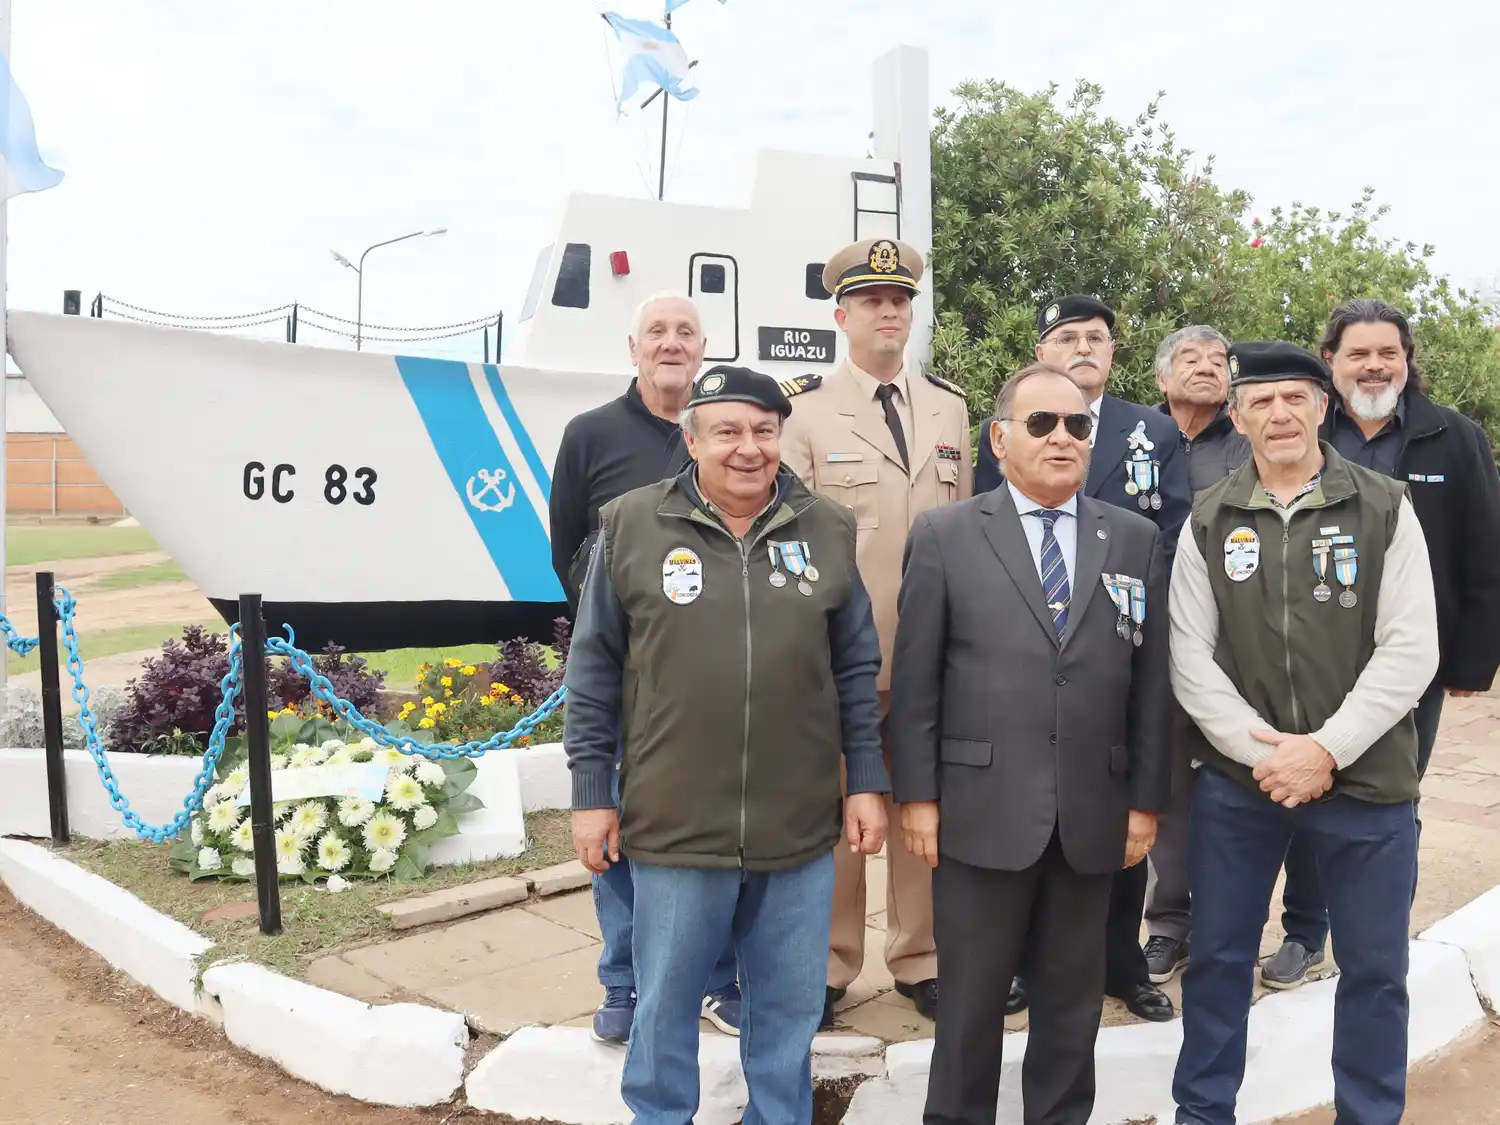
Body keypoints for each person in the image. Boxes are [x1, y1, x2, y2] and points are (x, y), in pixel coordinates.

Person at [562, 363, 891, 1125]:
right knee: (666, 1001)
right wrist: (590, 793)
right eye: (729, 431)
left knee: (785, 1006)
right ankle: (659, 1115)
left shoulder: (826, 528)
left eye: (765, 431)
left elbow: (854, 665)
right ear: (692, 438)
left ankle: (779, 1116)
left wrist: (865, 777)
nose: (750, 448)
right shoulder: (631, 523)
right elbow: (593, 669)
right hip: (675, 822)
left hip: (799, 822)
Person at [889, 361, 1170, 1125]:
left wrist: (1145, 800)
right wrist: (915, 795)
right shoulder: (946, 533)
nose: (1062, 437)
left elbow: (1151, 684)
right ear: (1000, 437)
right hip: (981, 811)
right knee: (972, 1005)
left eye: (1077, 424)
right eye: (1042, 422)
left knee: (1072, 1006)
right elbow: (916, 680)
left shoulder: (1135, 539)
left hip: (1091, 813)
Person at [1169, 340, 1439, 1125]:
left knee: (1376, 971)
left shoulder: (1386, 505)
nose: (1280, 414)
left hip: (1366, 783)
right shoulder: (1211, 520)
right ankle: (1203, 1111)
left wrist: (1325, 749)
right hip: (1242, 784)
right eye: (1261, 401)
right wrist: (1271, 754)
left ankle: (1368, 1114)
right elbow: (1191, 657)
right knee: (1218, 960)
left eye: (1296, 398)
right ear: (1238, 417)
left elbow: (1411, 646)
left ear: (1324, 406)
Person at [1262, 299, 1500, 990]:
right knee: (1308, 790)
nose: (1373, 365)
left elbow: (1482, 551)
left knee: (1393, 796)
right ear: (1329, 361)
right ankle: (1305, 932)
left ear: (1406, 359)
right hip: (1309, 657)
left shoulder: (1453, 438)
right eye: (1357, 352)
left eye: (1387, 353)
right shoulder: (1302, 430)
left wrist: (1473, 659)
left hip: (1411, 664)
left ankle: (1377, 928)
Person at [979, 295, 1188, 1023]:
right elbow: (990, 522)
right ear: (1043, 350)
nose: (1081, 346)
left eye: (1095, 335)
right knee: (1036, 823)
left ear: (1112, 350)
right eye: (1065, 335)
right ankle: (1030, 965)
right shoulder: (1009, 425)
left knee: (1118, 826)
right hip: (1033, 642)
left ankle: (1123, 964)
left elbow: (1176, 526)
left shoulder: (1150, 428)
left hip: (1120, 638)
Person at [781, 236, 972, 1026]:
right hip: (843, 658)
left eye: (900, 300)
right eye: (872, 301)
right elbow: (792, 543)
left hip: (938, 656)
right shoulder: (801, 408)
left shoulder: (951, 404)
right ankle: (828, 965)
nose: (890, 311)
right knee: (837, 817)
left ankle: (920, 958)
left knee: (921, 810)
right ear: (842, 314)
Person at [546, 292, 740, 1043]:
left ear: (702, 351)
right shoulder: (590, 435)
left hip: (718, 675)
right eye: (656, 331)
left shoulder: (725, 431)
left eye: (685, 332)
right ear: (633, 350)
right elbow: (567, 550)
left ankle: (720, 981)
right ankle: (624, 980)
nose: (671, 342)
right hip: (630, 674)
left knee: (721, 824)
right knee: (617, 829)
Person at [1141, 325, 1250, 986]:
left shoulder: (1248, 443)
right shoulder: (1132, 436)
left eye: (1219, 359)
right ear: (1161, 377)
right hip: (1146, 639)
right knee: (1166, 788)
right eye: (1191, 357)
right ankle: (1167, 923)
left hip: (1230, 644)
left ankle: (1227, 922)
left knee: (1234, 784)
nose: (1208, 366)